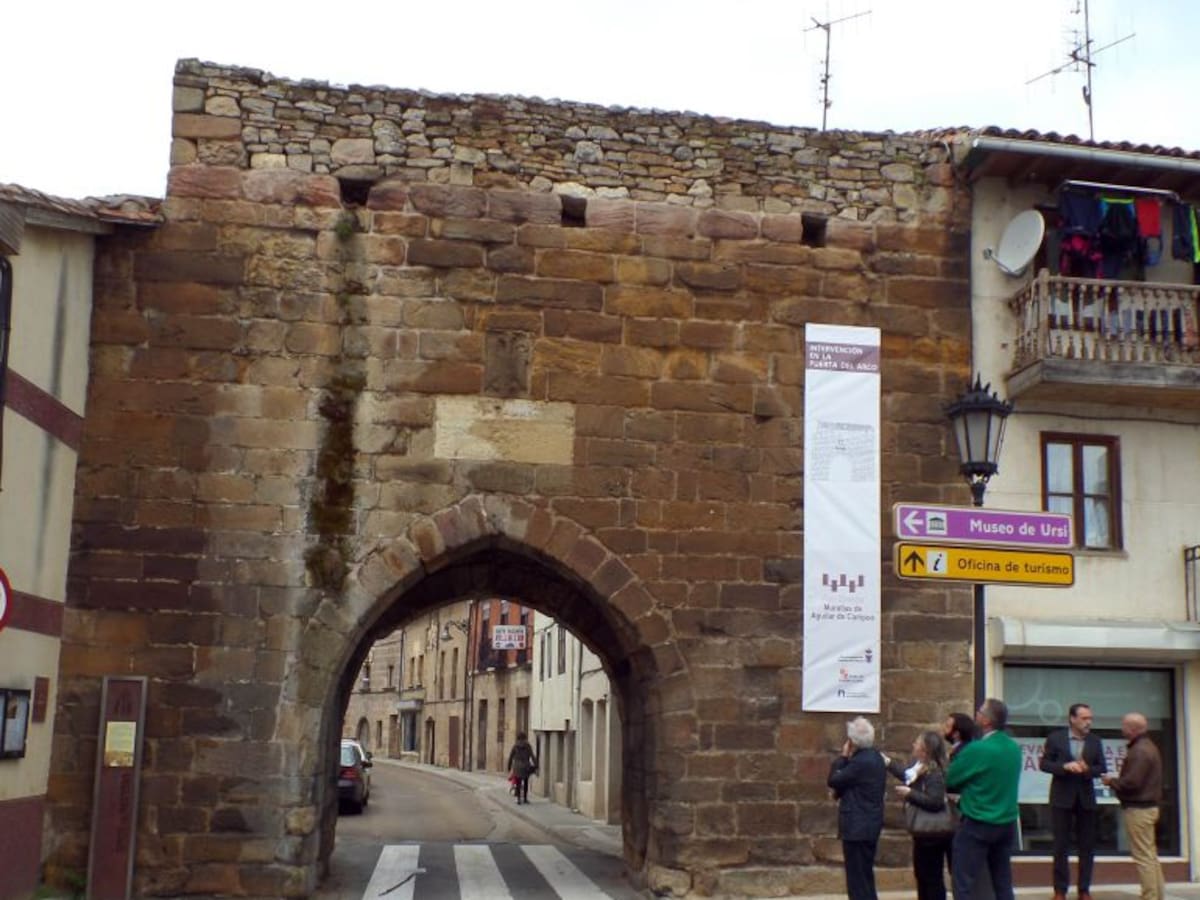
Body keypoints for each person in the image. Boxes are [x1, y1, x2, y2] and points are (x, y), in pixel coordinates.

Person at [945, 698, 1022, 900]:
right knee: (1002, 882)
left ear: (987, 721)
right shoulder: (1014, 748)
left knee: (963, 882)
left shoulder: (977, 749)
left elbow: (951, 779)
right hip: (1006, 822)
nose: (976, 715)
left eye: (979, 712)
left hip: (978, 821)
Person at [1040, 703, 1107, 900]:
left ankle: (1084, 889)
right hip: (1062, 797)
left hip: (1086, 798)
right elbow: (1044, 764)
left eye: (1090, 718)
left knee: (1087, 846)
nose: (1088, 722)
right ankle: (1060, 890)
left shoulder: (1095, 741)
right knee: (1061, 845)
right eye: (1084, 718)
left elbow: (1101, 768)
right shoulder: (1056, 738)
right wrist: (1064, 767)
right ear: (1072, 719)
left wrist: (1087, 770)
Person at [1100, 713, 1164, 900]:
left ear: (1133, 729)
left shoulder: (1140, 751)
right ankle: (1157, 894)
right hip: (1148, 807)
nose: (1122, 729)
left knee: (1143, 857)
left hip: (1139, 809)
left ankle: (1149, 896)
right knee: (1150, 855)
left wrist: (1111, 781)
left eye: (1125, 726)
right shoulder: (1148, 746)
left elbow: (1132, 782)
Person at [887, 730, 954, 900]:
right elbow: (906, 774)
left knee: (931, 877)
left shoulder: (934, 773)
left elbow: (935, 802)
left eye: (917, 743)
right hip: (923, 834)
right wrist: (888, 763)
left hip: (932, 834)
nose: (913, 745)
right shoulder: (919, 767)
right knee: (922, 875)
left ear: (926, 750)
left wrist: (910, 794)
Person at [828, 716, 887, 900]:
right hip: (869, 824)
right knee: (865, 875)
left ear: (852, 741)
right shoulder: (876, 757)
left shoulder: (859, 762)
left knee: (857, 879)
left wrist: (843, 757)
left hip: (857, 826)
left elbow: (834, 780)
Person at [506, 731, 538, 805]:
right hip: (526, 766)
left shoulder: (515, 746)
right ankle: (525, 798)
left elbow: (511, 757)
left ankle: (518, 799)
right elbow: (532, 756)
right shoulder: (528, 746)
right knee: (526, 782)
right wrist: (536, 765)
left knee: (518, 783)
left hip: (517, 766)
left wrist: (509, 767)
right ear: (525, 738)